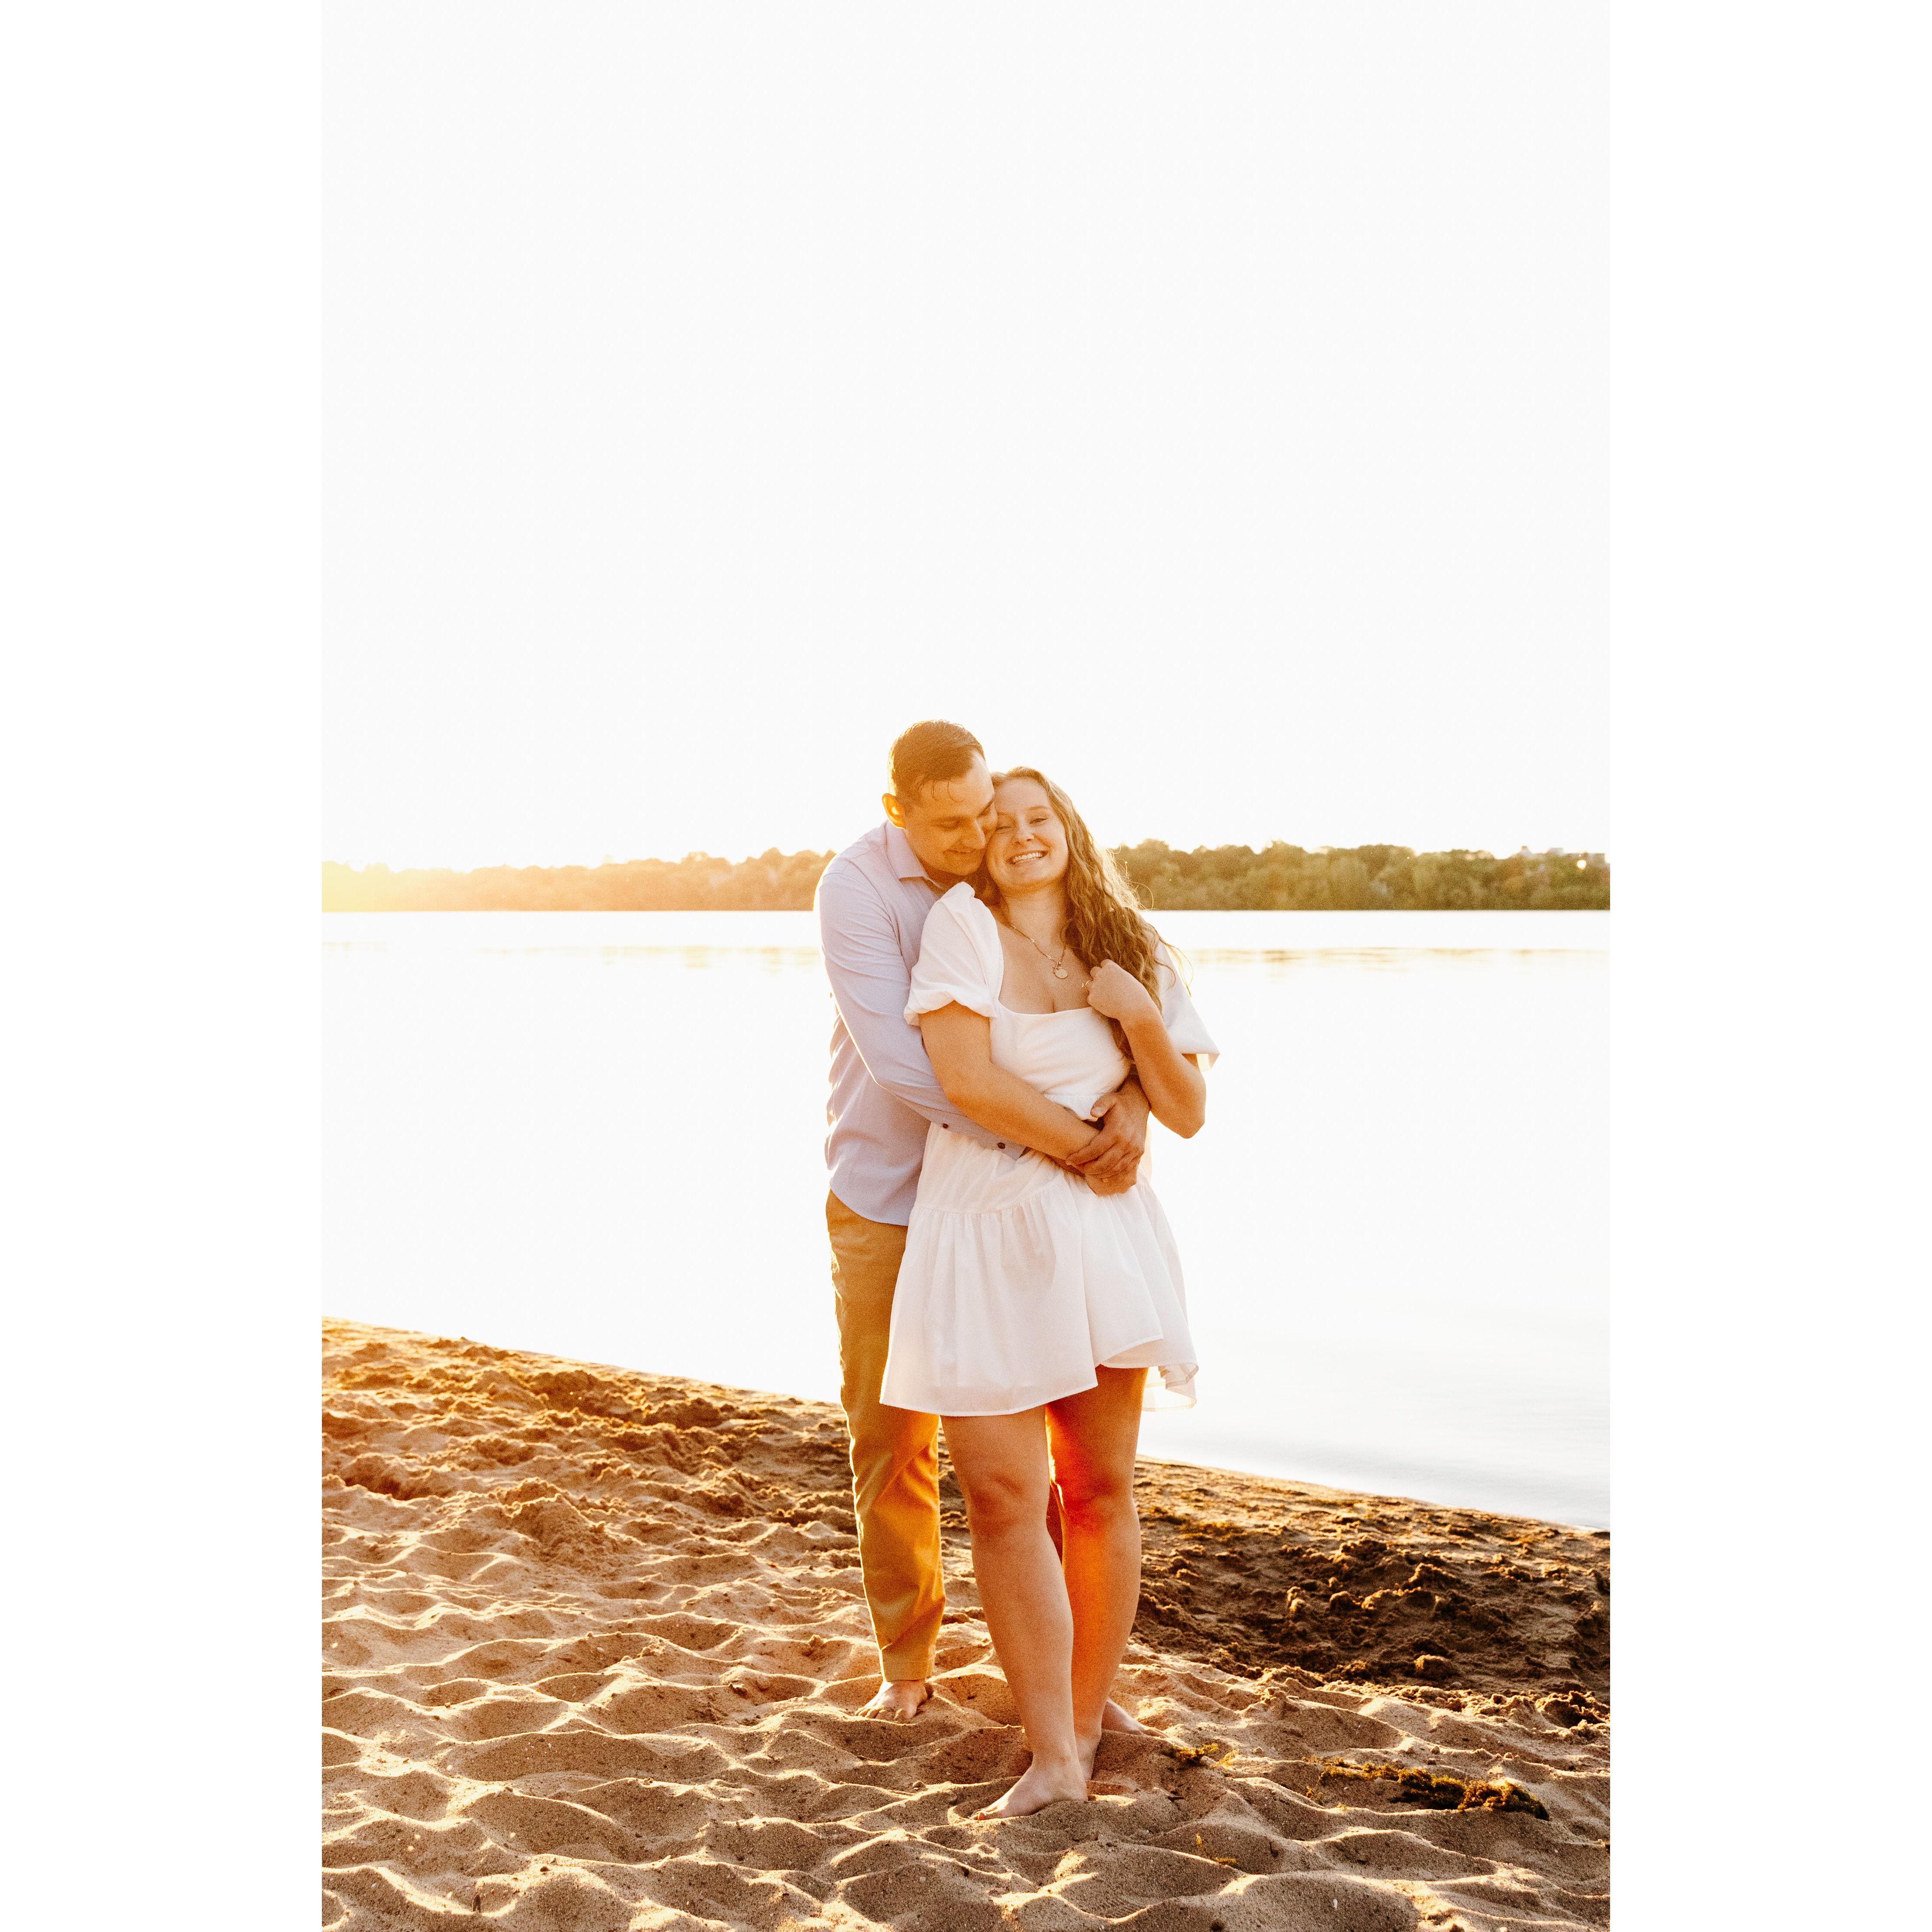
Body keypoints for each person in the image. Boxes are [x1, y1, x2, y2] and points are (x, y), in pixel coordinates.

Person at [881, 765, 1217, 1819]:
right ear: (980, 842)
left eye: (1040, 818)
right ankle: (1052, 1755)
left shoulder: (1132, 942)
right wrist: (1089, 1144)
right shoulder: (961, 927)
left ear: (1067, 827)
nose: (1023, 835)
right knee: (1000, 1496)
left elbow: (1188, 1108)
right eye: (1003, 823)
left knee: (1100, 1488)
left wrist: (1139, 1025)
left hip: (1101, 1241)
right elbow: (966, 1078)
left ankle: (1080, 1725)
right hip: (984, 1230)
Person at [815, 722, 1154, 1723]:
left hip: (1016, 1206)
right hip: (892, 1195)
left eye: (985, 814)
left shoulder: (1011, 868)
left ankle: (1068, 1681)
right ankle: (908, 1659)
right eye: (951, 825)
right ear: (897, 812)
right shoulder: (857, 888)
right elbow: (909, 1067)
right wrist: (1066, 1140)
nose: (977, 839)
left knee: (1038, 1449)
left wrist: (1131, 1102)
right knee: (892, 1441)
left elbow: (1095, 1019)